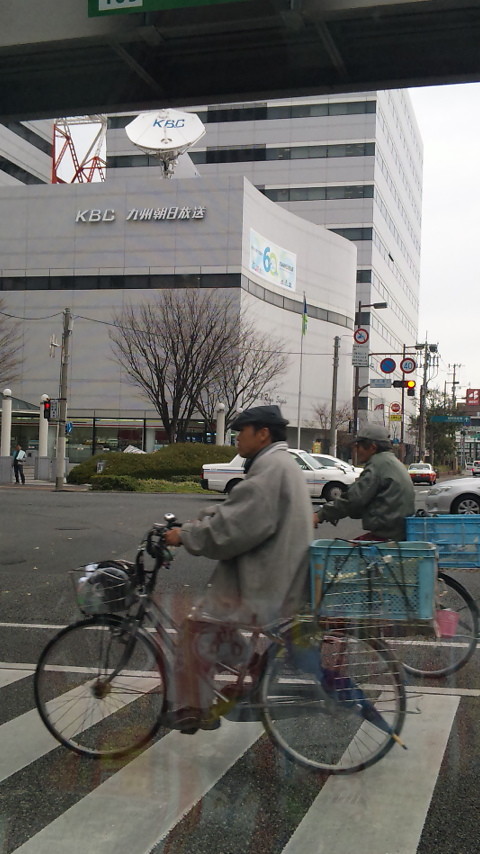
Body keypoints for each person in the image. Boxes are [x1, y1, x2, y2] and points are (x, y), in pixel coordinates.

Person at [164, 404, 313, 733]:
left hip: (266, 581)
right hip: (281, 572)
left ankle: (192, 707)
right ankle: (255, 666)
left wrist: (185, 535)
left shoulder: (269, 470)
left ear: (263, 433)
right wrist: (202, 520)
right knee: (217, 624)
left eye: (240, 432)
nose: (236, 439)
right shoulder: (278, 464)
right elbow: (237, 511)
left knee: (196, 628)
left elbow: (231, 529)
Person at [313, 423, 414, 541]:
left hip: (386, 537)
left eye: (358, 446)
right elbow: (359, 500)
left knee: (337, 555)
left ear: (372, 447)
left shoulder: (377, 465)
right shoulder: (390, 462)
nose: (356, 450)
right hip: (397, 533)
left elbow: (353, 500)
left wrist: (320, 515)